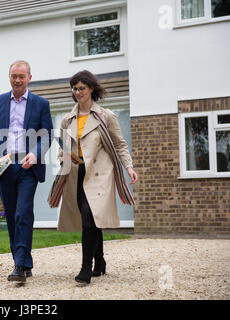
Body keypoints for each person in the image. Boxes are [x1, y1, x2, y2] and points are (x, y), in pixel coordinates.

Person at [57, 70, 137, 284]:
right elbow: (63, 148)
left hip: (100, 174)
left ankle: (86, 268)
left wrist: (128, 166)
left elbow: (120, 144)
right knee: (89, 219)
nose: (77, 92)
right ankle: (100, 261)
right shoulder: (67, 119)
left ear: (91, 88)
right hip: (76, 173)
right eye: (74, 89)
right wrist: (64, 156)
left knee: (90, 217)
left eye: (81, 88)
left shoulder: (106, 116)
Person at [0, 60, 53, 282]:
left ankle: (19, 266)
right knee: (12, 216)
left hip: (27, 166)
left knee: (23, 213)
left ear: (29, 77)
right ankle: (23, 262)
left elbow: (47, 134)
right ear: (9, 77)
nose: (18, 80)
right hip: (4, 168)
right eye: (14, 76)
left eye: (22, 76)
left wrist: (36, 153)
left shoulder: (40, 103)